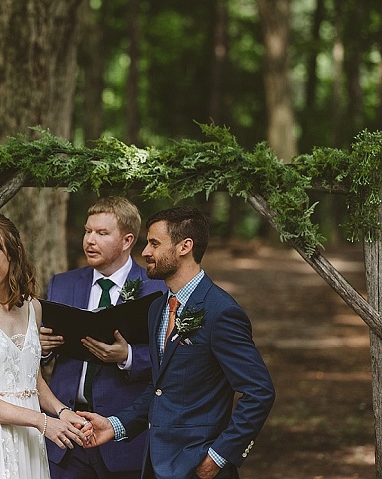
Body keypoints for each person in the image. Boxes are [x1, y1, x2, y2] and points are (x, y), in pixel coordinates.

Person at [80, 205, 276, 479]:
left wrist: (219, 456)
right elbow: (160, 387)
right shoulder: (157, 308)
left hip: (199, 468)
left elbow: (259, 391)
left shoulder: (221, 312)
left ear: (185, 246)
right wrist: (115, 425)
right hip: (155, 464)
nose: (146, 252)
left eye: (154, 244)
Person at [0, 213, 89, 479]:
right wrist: (43, 422)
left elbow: (32, 378)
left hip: (29, 441)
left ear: (13, 254)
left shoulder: (33, 307)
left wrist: (62, 411)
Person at [39, 196, 166, 479]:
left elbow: (170, 357)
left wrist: (128, 356)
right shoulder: (63, 283)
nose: (89, 240)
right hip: (66, 433)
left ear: (127, 240)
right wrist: (43, 347)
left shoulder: (155, 289)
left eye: (102, 233)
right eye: (87, 231)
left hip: (122, 435)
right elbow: (37, 352)